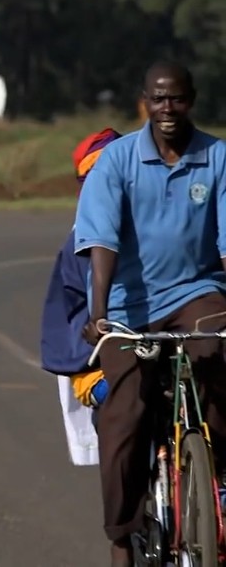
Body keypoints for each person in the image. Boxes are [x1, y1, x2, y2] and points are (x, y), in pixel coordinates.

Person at [75, 61, 226, 567]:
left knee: (216, 358)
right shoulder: (116, 161)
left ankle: (216, 484)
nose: (167, 109)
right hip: (128, 305)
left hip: (196, 292)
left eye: (177, 99)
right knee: (125, 413)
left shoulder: (218, 156)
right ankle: (122, 531)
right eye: (158, 99)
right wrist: (99, 313)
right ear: (144, 100)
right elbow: (100, 240)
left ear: (192, 100)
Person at [38, 128, 121, 467]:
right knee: (128, 412)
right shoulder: (78, 246)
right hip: (100, 364)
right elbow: (68, 332)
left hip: (164, 345)